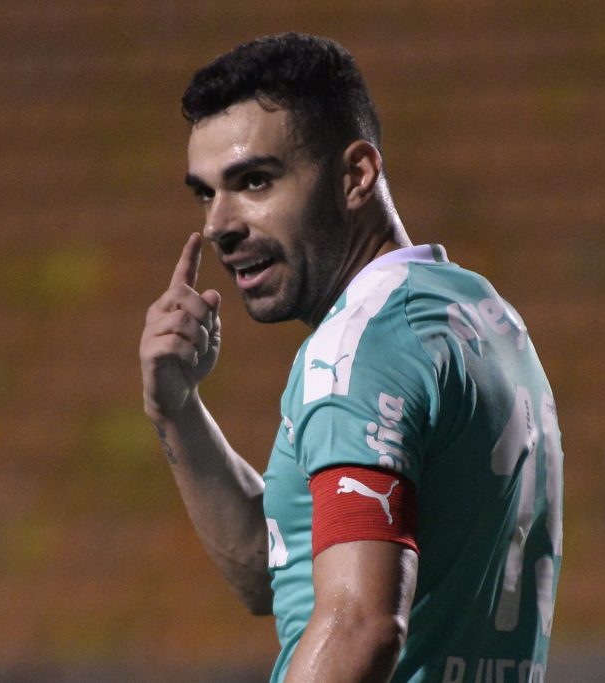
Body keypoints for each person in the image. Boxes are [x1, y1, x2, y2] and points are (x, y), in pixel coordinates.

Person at [138, 33, 563, 683]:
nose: (219, 222)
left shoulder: (357, 349)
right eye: (206, 192)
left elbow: (361, 623)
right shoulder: (484, 314)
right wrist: (177, 409)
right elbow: (277, 569)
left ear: (356, 174)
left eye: (254, 181)